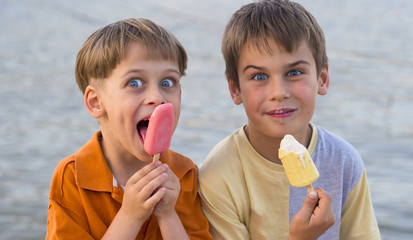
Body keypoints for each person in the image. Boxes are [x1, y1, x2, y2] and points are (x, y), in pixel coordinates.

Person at [198, 0, 381, 239]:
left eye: (294, 72)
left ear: (322, 79)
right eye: (259, 76)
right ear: (235, 89)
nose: (278, 92)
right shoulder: (218, 175)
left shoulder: (344, 163)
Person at [46, 18, 213, 240]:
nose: (157, 97)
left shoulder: (183, 174)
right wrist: (130, 216)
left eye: (167, 82)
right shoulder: (72, 177)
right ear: (96, 102)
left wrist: (168, 215)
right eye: (134, 83)